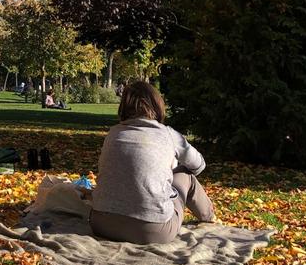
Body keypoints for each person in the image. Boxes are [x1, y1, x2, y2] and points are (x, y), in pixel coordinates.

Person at [89, 80, 215, 245]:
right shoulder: (168, 135)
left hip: (101, 224)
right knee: (187, 175)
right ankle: (209, 217)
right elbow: (198, 166)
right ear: (157, 105)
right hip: (151, 232)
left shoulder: (113, 134)